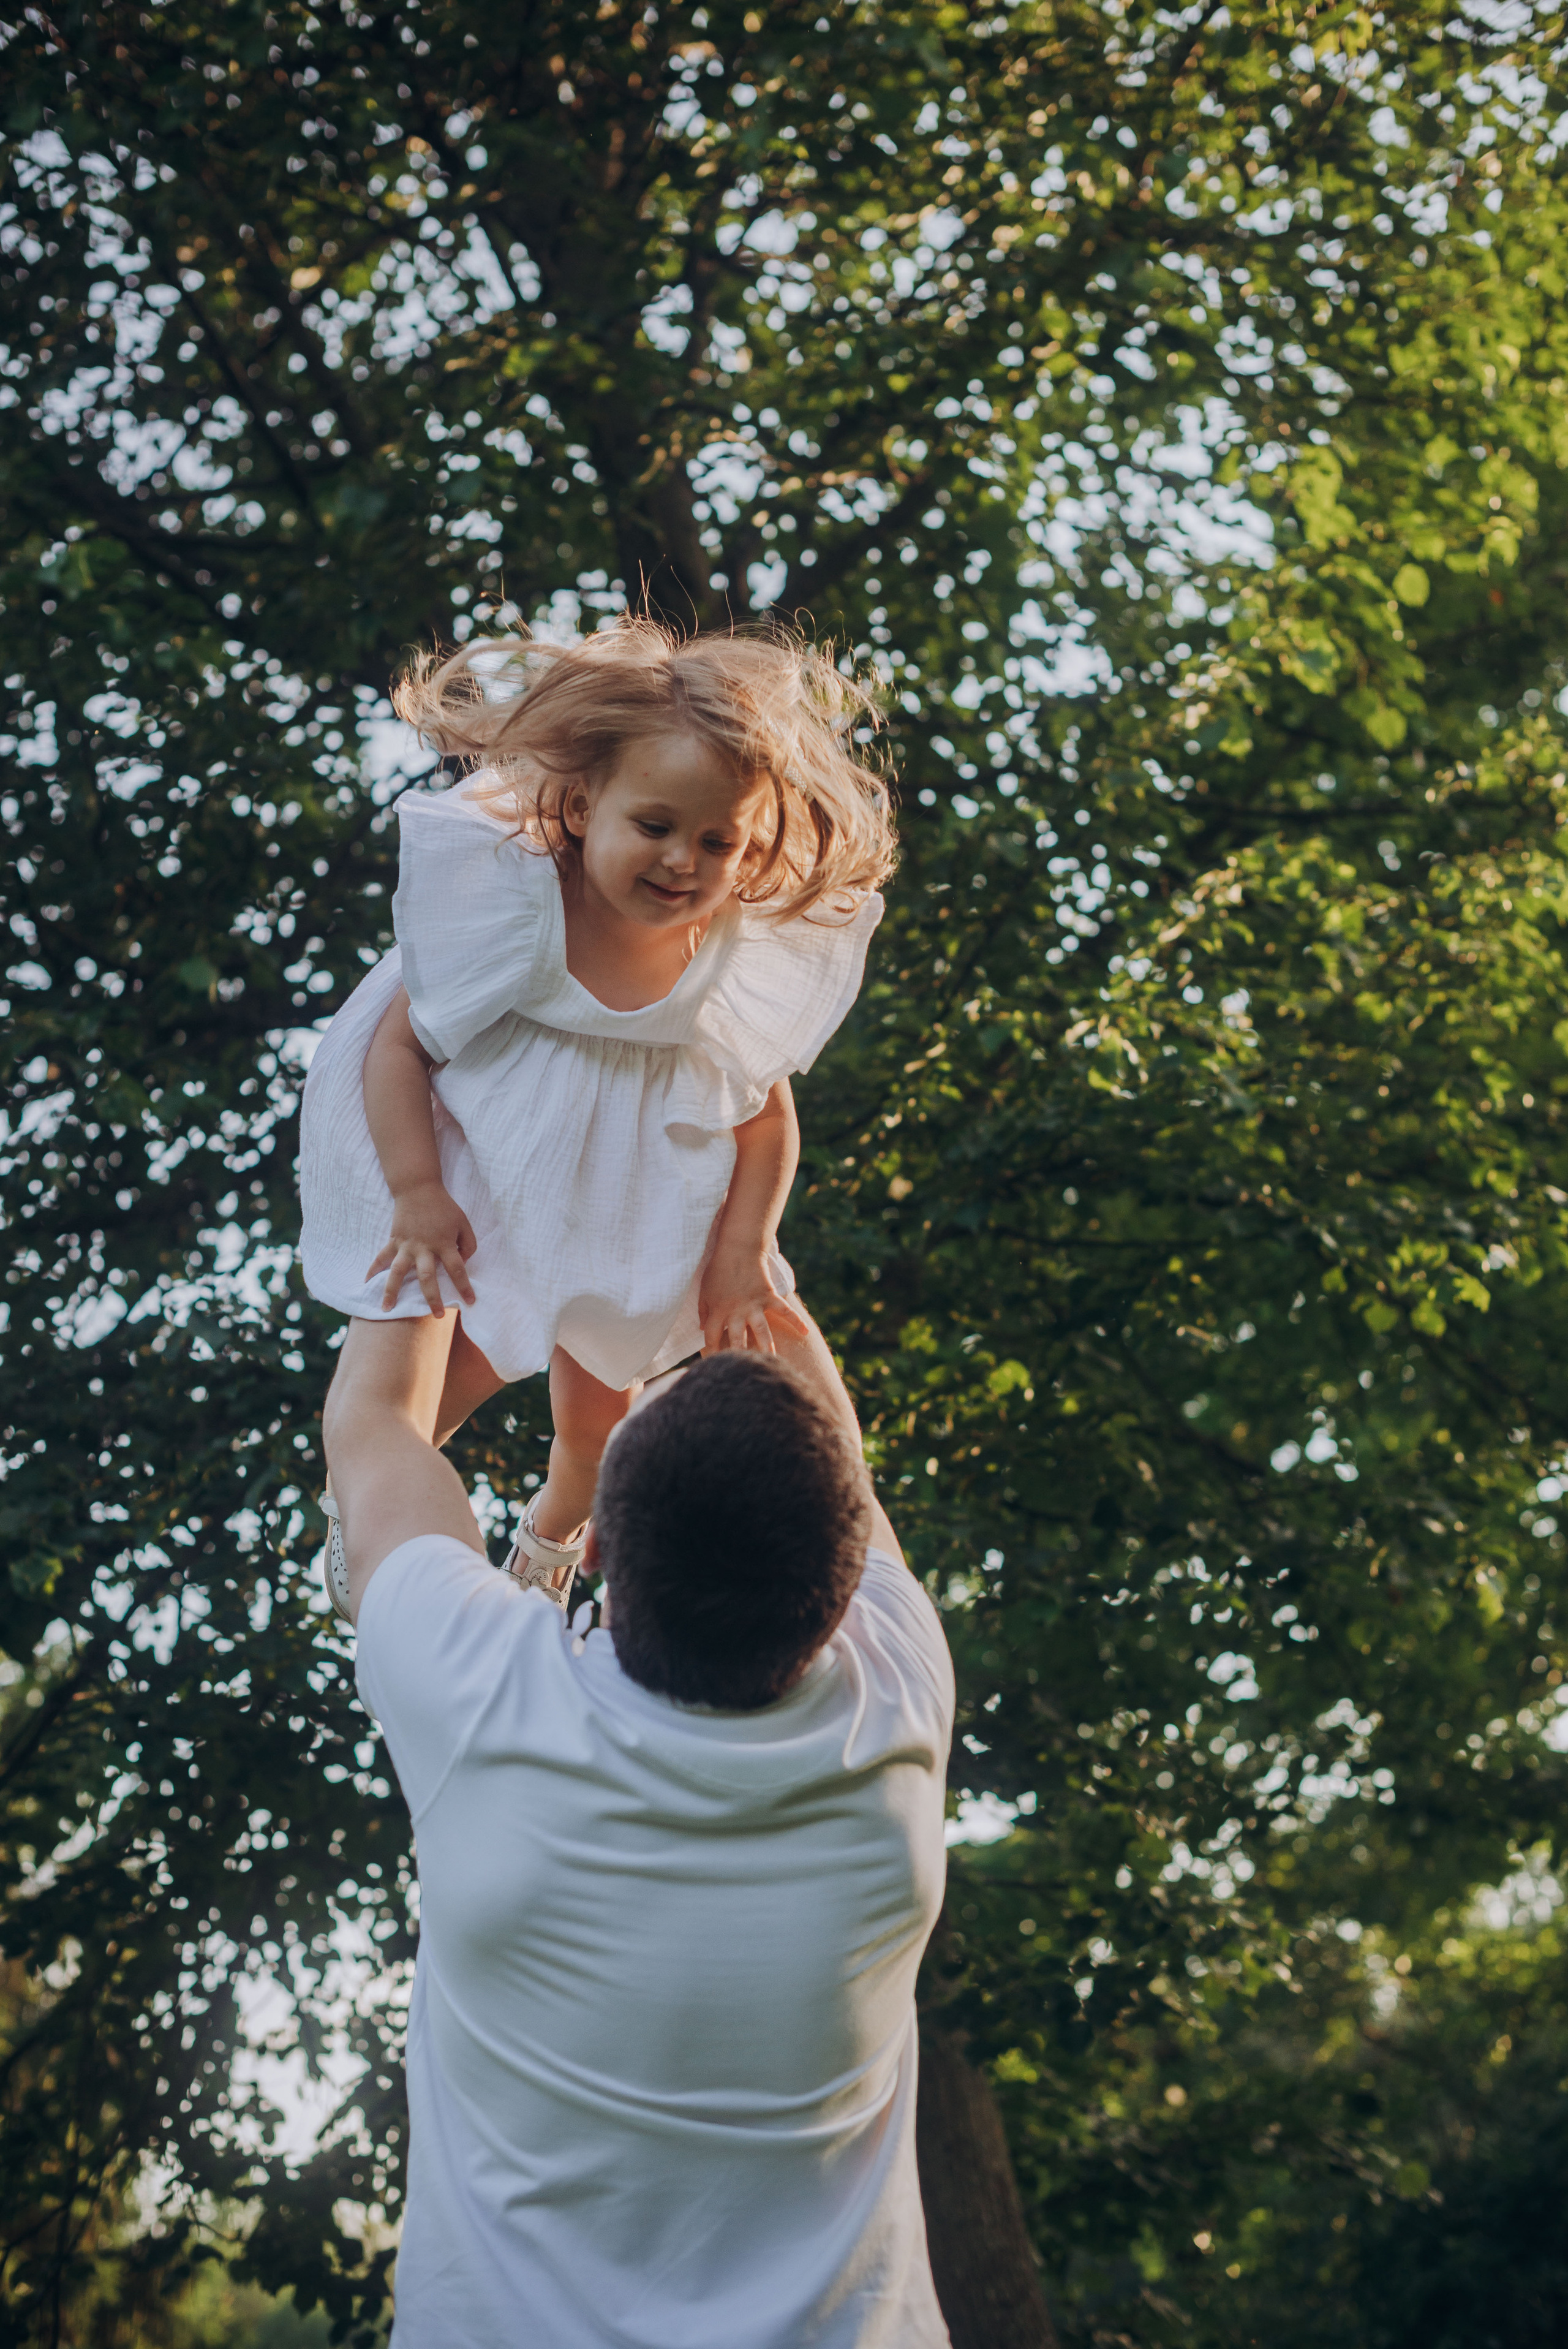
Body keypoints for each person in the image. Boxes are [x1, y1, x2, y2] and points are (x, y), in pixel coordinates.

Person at [321, 1303, 955, 2348]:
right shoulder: (898, 1703)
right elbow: (835, 1451)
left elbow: (375, 1422)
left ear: (607, 1544)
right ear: (848, 1584)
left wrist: (436, 1183)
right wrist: (728, 1222)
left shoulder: (487, 1704)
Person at [300, 619, 895, 1600]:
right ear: (583, 806)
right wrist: (415, 1189)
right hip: (487, 1178)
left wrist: (745, 1248)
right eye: (655, 826)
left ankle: (550, 1540)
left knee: (597, 1428)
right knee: (417, 1395)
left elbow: (763, 1112)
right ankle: (364, 1511)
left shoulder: (720, 952)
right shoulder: (525, 914)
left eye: (718, 841)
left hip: (625, 1202)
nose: (682, 861)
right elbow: (398, 1046)